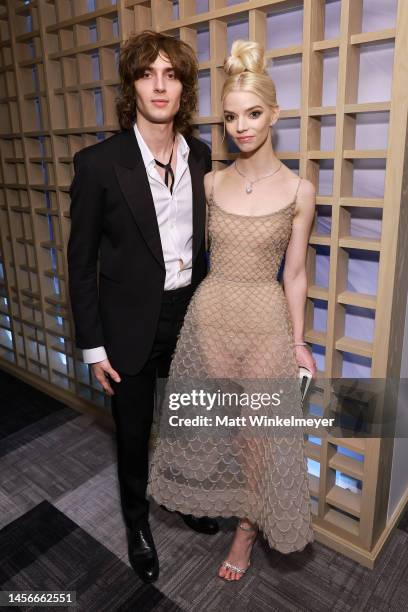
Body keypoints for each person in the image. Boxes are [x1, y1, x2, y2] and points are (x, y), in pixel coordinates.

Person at [147, 39, 317, 581]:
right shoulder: (210, 182)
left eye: (252, 114)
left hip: (265, 323)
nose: (240, 127)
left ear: (274, 114)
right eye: (230, 117)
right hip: (211, 315)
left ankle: (245, 535)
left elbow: (294, 273)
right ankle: (217, 510)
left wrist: (298, 341)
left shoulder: (299, 190)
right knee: (207, 426)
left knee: (256, 438)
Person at [67, 29, 219, 585]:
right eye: (147, 74)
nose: (160, 85)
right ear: (132, 86)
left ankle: (182, 499)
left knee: (187, 423)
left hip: (189, 317)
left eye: (171, 75)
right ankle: (137, 524)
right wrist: (92, 345)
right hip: (128, 326)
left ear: (184, 89)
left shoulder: (201, 156)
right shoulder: (99, 164)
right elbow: (80, 263)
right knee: (133, 434)